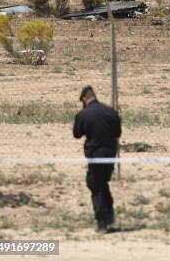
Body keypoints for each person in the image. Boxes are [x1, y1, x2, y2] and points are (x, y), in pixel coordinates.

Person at [73, 86, 122, 233]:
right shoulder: (110, 112)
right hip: (111, 155)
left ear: (84, 99)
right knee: (103, 184)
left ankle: (102, 222)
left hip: (95, 155)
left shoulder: (84, 114)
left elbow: (77, 134)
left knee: (95, 185)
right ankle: (109, 215)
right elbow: (118, 133)